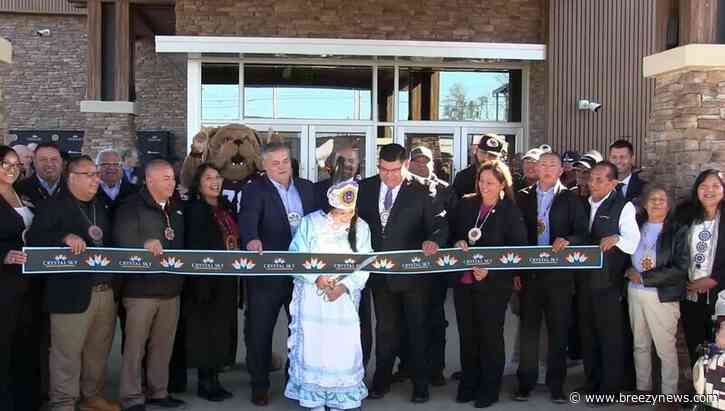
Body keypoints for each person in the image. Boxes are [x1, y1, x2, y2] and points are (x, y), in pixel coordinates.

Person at [26, 155, 119, 411]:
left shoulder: (101, 205)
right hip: (70, 293)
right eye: (89, 175)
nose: (96, 179)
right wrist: (62, 237)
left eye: (96, 174)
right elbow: (33, 240)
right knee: (66, 355)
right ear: (72, 178)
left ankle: (92, 397)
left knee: (97, 352)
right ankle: (63, 403)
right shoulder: (53, 206)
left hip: (104, 291)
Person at [356, 143, 446, 403]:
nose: (389, 176)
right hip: (379, 276)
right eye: (384, 170)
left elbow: (439, 225)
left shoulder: (423, 189)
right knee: (386, 329)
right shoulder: (366, 188)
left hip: (413, 276)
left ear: (406, 165)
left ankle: (420, 384)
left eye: (394, 170)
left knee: (417, 329)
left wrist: (434, 241)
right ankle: (381, 380)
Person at [238, 142, 317, 407]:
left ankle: (293, 380)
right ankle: (259, 385)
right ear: (264, 166)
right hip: (267, 275)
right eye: (275, 163)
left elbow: (320, 221)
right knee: (260, 331)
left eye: (285, 161)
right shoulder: (253, 190)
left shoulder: (307, 187)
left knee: (302, 331)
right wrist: (251, 239)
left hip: (302, 275)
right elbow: (247, 219)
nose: (282, 166)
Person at [285, 181, 373, 411]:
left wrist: (344, 287)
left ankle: (339, 397)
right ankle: (313, 396)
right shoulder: (310, 223)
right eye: (343, 212)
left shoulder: (361, 227)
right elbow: (296, 255)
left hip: (343, 300)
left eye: (351, 211)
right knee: (314, 342)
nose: (347, 216)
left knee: (341, 345)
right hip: (313, 297)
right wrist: (317, 278)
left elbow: (365, 262)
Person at [514, 152, 588, 403]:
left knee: (558, 331)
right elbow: (514, 235)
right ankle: (525, 382)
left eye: (552, 165)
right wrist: (516, 271)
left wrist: (569, 240)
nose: (546, 169)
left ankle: (556, 385)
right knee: (528, 330)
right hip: (530, 275)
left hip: (559, 276)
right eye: (542, 164)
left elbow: (582, 233)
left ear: (560, 171)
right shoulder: (523, 197)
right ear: (535, 168)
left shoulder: (571, 198)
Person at [452, 161, 527, 408]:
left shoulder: (510, 211)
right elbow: (453, 233)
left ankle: (489, 388)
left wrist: (491, 272)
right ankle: (469, 383)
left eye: (490, 183)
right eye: (481, 181)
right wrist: (458, 242)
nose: (484, 187)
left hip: (494, 286)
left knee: (490, 337)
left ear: (502, 184)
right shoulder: (466, 203)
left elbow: (518, 251)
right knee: (467, 335)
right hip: (465, 282)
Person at [114, 159, 186, 411]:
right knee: (135, 347)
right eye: (166, 178)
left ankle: (158, 392)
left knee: (162, 346)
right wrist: (142, 244)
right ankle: (131, 396)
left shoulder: (176, 208)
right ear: (150, 180)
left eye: (173, 178)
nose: (172, 182)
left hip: (170, 290)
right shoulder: (130, 206)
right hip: (140, 291)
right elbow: (121, 240)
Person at [576, 161, 640, 402]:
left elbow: (632, 241)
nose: (593, 184)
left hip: (609, 284)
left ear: (613, 183)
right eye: (591, 179)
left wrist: (616, 238)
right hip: (584, 282)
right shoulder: (582, 203)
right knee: (588, 334)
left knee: (609, 337)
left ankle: (609, 388)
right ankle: (591, 382)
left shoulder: (623, 207)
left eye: (599, 179)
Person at [393, 145, 457, 386]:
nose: (421, 165)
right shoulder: (402, 188)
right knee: (406, 319)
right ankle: (406, 365)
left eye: (425, 161)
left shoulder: (445, 190)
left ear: (433, 164)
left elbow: (451, 225)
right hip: (408, 269)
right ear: (409, 163)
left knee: (435, 319)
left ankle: (435, 368)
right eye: (416, 161)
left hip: (435, 270)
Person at [623, 185, 687, 408]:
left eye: (661, 200)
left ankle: (670, 396)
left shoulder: (677, 231)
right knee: (640, 344)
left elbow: (680, 268)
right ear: (645, 204)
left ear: (669, 206)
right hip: (634, 293)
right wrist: (627, 272)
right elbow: (625, 253)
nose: (657, 203)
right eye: (652, 199)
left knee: (665, 348)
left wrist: (645, 278)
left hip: (661, 296)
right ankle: (644, 389)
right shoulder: (636, 226)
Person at [183, 163, 239, 402]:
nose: (215, 182)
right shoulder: (195, 209)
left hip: (227, 279)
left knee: (221, 331)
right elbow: (194, 245)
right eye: (208, 178)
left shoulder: (226, 208)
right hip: (204, 281)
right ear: (199, 183)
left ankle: (216, 379)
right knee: (204, 332)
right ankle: (205, 383)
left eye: (217, 177)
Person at [0, 145, 42, 411]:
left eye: (16, 164)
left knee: (25, 345)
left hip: (28, 284)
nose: (12, 168)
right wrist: (2, 255)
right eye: (5, 163)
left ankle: (25, 401)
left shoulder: (24, 193)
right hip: (3, 285)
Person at [676, 170, 725, 369]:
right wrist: (685, 282)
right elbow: (673, 250)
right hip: (690, 294)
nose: (709, 190)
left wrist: (714, 280)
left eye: (715, 186)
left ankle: (717, 397)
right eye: (703, 186)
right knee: (696, 345)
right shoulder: (685, 217)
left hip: (721, 294)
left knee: (720, 349)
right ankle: (700, 393)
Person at [452, 133, 507, 198]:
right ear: (476, 151)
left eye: (491, 155)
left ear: (498, 157)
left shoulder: (505, 178)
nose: (486, 158)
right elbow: (455, 204)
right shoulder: (462, 177)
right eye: (483, 152)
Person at [608, 139, 646, 203]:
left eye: (623, 157)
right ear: (609, 159)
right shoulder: (601, 185)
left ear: (632, 159)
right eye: (614, 157)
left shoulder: (644, 188)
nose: (618, 161)